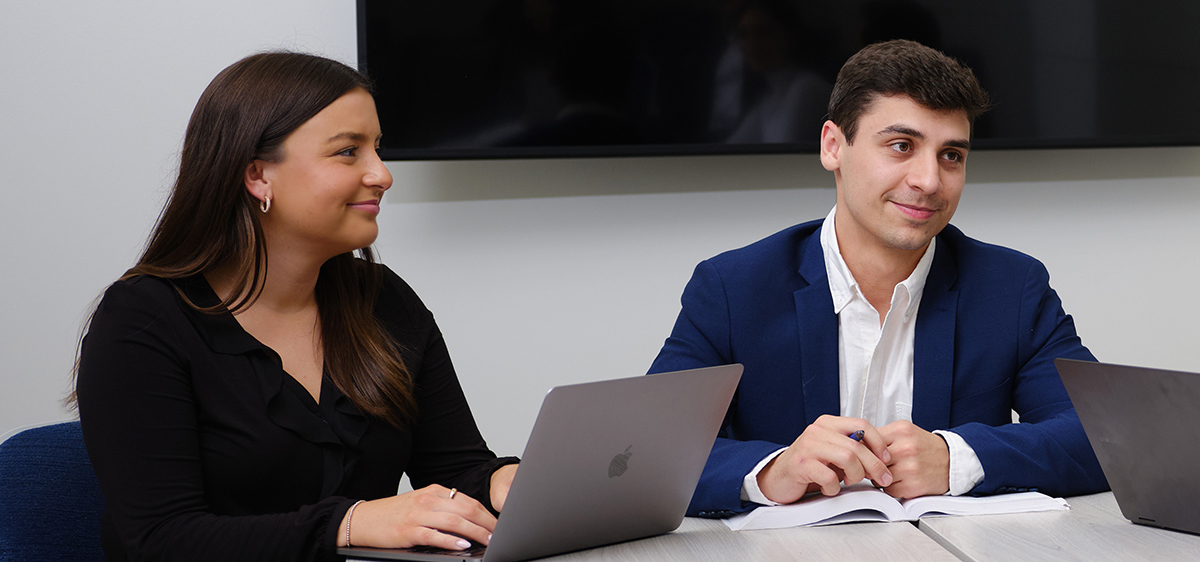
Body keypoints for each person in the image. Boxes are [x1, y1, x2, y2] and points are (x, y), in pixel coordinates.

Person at [72, 52, 519, 561]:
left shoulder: (383, 299)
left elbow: (455, 473)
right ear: (258, 176)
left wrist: (508, 483)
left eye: (378, 148)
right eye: (349, 152)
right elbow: (159, 541)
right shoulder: (141, 322)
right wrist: (350, 523)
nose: (383, 174)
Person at [648, 39, 1108, 518]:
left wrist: (957, 460)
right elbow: (651, 447)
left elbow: (1102, 433)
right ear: (833, 146)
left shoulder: (1012, 288)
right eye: (901, 146)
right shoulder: (732, 288)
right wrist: (771, 470)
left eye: (951, 155)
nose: (929, 180)